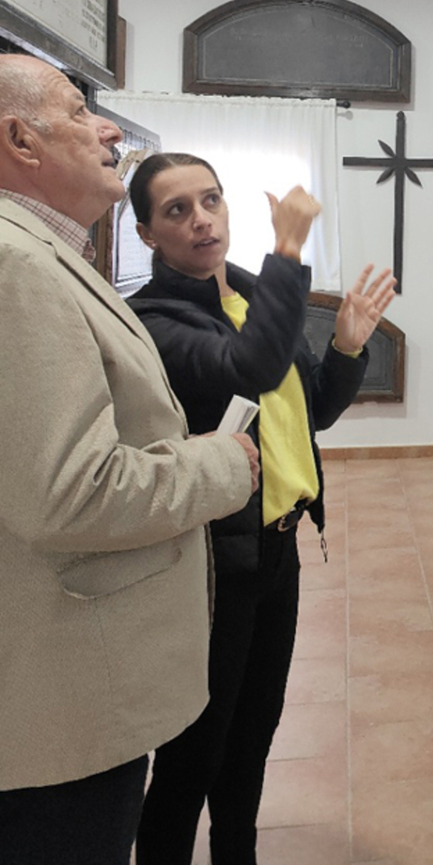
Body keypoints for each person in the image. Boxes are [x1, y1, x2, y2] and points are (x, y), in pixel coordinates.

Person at [0, 55, 260, 865]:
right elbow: (68, 491)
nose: (110, 128)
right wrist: (221, 464)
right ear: (20, 139)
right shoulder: (18, 268)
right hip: (64, 708)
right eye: (80, 111)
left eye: (213, 200)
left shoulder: (48, 257)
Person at [127, 151, 394, 865]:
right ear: (147, 233)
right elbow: (246, 368)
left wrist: (344, 346)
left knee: (252, 740)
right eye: (176, 210)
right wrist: (289, 250)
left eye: (210, 199)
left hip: (277, 551)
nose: (201, 219)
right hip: (212, 564)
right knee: (194, 755)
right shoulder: (151, 319)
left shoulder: (247, 293)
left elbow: (312, 414)